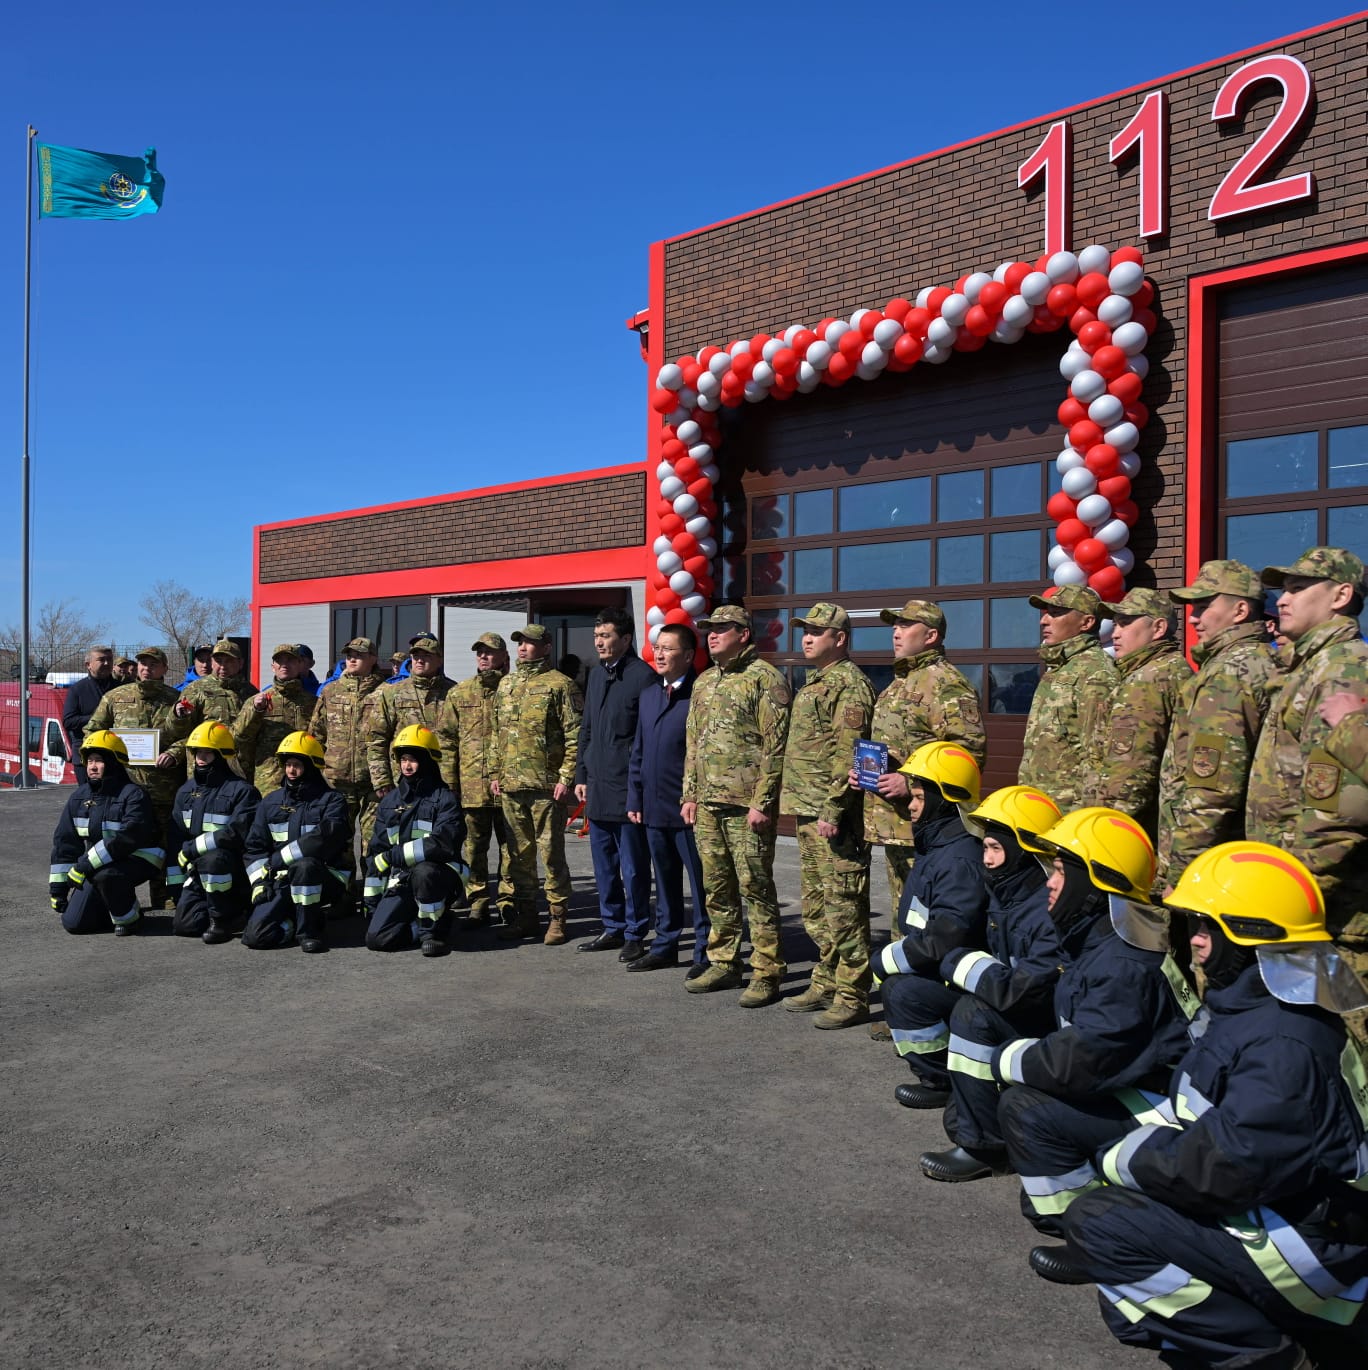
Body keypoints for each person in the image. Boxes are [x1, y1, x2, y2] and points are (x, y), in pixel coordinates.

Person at [1037, 843, 1368, 1370]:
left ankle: (1267, 1356)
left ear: (1251, 937)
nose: (1192, 941)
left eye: (1207, 927)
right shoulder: (1255, 1008)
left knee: (1103, 1224)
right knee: (1124, 1273)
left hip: (1307, 1252)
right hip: (1286, 1216)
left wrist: (1127, 1160)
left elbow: (1228, 1168)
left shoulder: (1284, 1042)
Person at [992, 808, 1199, 1233]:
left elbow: (1080, 1062)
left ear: (1095, 884)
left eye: (1061, 873)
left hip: (1169, 1111)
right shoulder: (1099, 938)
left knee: (1026, 1107)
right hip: (1142, 1087)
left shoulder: (1122, 963)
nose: (1049, 882)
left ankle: (1084, 1227)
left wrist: (1007, 1060)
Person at [1247, 547, 1368, 1044]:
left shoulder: (1343, 668)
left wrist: (1286, 900)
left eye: (1299, 587)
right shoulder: (1308, 666)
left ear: (1341, 596)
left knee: (1344, 1055)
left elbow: (1341, 813)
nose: (1283, 597)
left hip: (1324, 912)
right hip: (1298, 898)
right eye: (1283, 587)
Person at [917, 785, 1065, 1182]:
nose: (987, 859)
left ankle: (984, 1148)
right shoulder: (1009, 890)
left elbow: (1018, 989)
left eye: (996, 849)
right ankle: (973, 1116)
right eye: (985, 848)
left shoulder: (1043, 909)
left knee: (973, 1015)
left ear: (1023, 851)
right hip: (1026, 1010)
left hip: (1051, 1027)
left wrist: (956, 960)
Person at [682, 604, 791, 1006]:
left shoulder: (765, 679)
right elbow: (693, 744)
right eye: (708, 630)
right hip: (708, 804)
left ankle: (767, 971)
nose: (711, 635)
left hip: (748, 808)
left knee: (756, 888)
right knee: (717, 888)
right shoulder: (705, 681)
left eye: (721, 629)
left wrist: (763, 802)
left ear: (743, 634)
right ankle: (724, 962)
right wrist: (689, 794)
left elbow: (776, 748)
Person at [1156, 559, 1280, 892]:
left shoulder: (1229, 673)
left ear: (1240, 610)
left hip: (1209, 866)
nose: (1193, 617)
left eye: (1204, 605)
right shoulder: (1260, 660)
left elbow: (1212, 788)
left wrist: (1181, 871)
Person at [874, 742, 989, 1098]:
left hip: (961, 982)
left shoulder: (958, 859)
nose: (910, 805)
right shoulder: (938, 846)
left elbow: (946, 936)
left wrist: (887, 960)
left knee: (901, 991)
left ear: (942, 799)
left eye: (919, 797)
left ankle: (944, 1077)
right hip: (944, 971)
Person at [780, 603, 876, 1029]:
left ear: (840, 638)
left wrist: (834, 808)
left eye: (818, 631)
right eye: (805, 630)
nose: (807, 637)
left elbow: (850, 753)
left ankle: (854, 993)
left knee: (843, 908)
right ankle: (827, 980)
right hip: (809, 810)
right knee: (817, 908)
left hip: (831, 816)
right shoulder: (818, 681)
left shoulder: (849, 686)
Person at [863, 598, 986, 924]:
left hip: (928, 827)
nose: (896, 632)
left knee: (928, 919)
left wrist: (910, 784)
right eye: (895, 625)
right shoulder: (898, 684)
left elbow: (968, 753)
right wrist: (866, 772)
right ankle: (900, 972)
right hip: (895, 823)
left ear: (931, 636)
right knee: (903, 917)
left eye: (905, 625)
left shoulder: (946, 683)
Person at [488, 624, 582, 943]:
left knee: (552, 855)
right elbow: (495, 733)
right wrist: (494, 773)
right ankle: (527, 916)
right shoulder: (507, 685)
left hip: (546, 787)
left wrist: (567, 777)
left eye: (530, 643)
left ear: (546, 647)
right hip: (512, 786)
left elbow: (575, 735)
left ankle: (557, 918)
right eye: (520, 643)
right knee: (519, 856)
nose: (523, 648)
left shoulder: (561, 685)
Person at [626, 623, 710, 976]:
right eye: (657, 647)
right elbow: (639, 751)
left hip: (688, 809)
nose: (659, 654)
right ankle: (665, 945)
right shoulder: (650, 695)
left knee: (701, 884)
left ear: (688, 656)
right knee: (664, 880)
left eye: (668, 648)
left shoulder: (700, 696)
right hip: (653, 807)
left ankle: (705, 952)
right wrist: (635, 797)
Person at [574, 608, 657, 958]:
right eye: (597, 636)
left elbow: (646, 740)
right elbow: (587, 729)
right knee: (603, 866)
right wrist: (581, 774)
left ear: (626, 639)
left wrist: (639, 789)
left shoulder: (644, 678)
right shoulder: (595, 676)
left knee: (633, 867)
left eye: (606, 636)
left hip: (628, 790)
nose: (599, 642)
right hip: (597, 786)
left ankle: (636, 932)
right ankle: (613, 926)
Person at [82, 646, 190, 908]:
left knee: (166, 840)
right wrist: (108, 754)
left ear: (164, 668)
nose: (146, 668)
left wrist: (174, 753)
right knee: (118, 840)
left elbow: (192, 736)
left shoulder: (177, 700)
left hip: (163, 785)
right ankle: (113, 896)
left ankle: (165, 897)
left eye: (153, 664)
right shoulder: (115, 697)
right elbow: (92, 731)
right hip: (123, 786)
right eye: (142, 663)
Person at [1086, 587, 1192, 845]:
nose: (1115, 632)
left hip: (1132, 835)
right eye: (1115, 623)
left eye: (1125, 623)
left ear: (1158, 628)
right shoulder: (1173, 670)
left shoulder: (1147, 680)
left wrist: (1105, 836)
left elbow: (1129, 774)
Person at [363, 726, 467, 956]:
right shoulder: (390, 801)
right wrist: (372, 905)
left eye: (413, 760)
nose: (407, 766)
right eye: (403, 760)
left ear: (428, 761)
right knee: (377, 939)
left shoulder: (444, 799)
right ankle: (421, 927)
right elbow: (376, 852)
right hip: (401, 878)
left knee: (424, 871)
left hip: (441, 875)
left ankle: (433, 933)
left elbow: (442, 844)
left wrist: (393, 856)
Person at [242, 732, 351, 953]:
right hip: (281, 878)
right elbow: (255, 847)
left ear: (311, 766)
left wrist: (279, 859)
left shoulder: (332, 801)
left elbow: (323, 839)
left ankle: (309, 932)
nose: (291, 771)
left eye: (297, 765)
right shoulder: (271, 802)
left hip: (325, 877)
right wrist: (259, 882)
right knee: (256, 937)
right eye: (288, 764)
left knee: (305, 865)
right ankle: (297, 920)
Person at [48, 730, 162, 935]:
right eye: (89, 760)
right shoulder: (78, 797)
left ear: (114, 761)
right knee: (74, 923)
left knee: (107, 876)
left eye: (99, 760)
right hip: (98, 864)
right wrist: (58, 890)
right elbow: (65, 843)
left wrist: (84, 865)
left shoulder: (133, 795)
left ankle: (130, 918)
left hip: (139, 859)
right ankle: (112, 902)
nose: (92, 766)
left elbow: (128, 838)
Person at [436, 632, 515, 927]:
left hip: (509, 786)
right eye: (479, 651)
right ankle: (478, 903)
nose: (483, 656)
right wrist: (450, 784)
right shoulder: (460, 693)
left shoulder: (514, 689)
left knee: (512, 849)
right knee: (474, 849)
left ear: (505, 657)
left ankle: (508, 902)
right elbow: (446, 741)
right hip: (472, 787)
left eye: (490, 652)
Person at [1019, 584, 1115, 809]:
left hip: (1067, 813)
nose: (1044, 621)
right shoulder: (1061, 668)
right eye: (1046, 614)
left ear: (1087, 622)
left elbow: (1098, 757)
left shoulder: (1096, 673)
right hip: (1040, 806)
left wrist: (1082, 817)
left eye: (1056, 613)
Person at [165, 721, 260, 942]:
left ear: (221, 754)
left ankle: (222, 921)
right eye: (198, 752)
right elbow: (176, 838)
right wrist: (178, 888)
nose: (201, 757)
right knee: (184, 925)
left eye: (208, 753)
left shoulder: (242, 791)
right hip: (197, 869)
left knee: (214, 858)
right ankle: (227, 912)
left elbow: (235, 834)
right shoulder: (186, 791)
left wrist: (191, 849)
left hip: (232, 871)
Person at [311, 636, 386, 852]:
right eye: (349, 655)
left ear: (373, 658)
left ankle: (373, 885)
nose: (352, 659)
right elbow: (316, 734)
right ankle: (345, 886)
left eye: (359, 655)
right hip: (337, 780)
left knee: (374, 842)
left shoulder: (385, 693)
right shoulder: (331, 691)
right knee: (338, 840)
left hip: (373, 781)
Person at [367, 633, 451, 800]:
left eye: (426, 655)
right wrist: (381, 779)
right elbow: (376, 738)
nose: (420, 660)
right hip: (404, 781)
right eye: (416, 655)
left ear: (439, 659)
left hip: (443, 781)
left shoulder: (453, 692)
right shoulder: (393, 693)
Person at [232, 644, 318, 795]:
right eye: (280, 661)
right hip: (270, 780)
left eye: (290, 660)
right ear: (273, 667)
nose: (285, 665)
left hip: (305, 778)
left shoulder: (313, 703)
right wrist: (256, 710)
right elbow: (239, 736)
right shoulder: (258, 700)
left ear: (300, 665)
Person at [171, 639, 258, 777]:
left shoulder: (251, 692)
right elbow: (179, 732)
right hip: (204, 765)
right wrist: (178, 716)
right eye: (218, 661)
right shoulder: (195, 689)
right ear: (212, 662)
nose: (223, 666)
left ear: (240, 663)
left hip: (240, 766)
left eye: (229, 661)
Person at [62, 645, 116, 784]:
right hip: (86, 754)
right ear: (88, 664)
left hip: (114, 752)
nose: (106, 663)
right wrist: (98, 719)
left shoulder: (121, 688)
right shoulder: (78, 690)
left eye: (109, 659)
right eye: (101, 660)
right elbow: (69, 721)